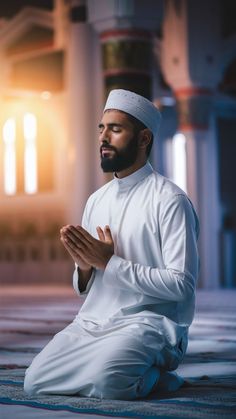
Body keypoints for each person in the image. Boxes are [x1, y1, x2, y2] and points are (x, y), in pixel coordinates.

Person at [24, 89, 199, 400]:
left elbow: (181, 285)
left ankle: (161, 376)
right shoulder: (97, 200)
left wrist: (109, 262)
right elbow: (87, 289)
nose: (104, 138)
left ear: (143, 139)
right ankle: (117, 368)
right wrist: (84, 266)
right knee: (35, 382)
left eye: (116, 129)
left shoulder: (170, 200)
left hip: (150, 323)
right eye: (101, 129)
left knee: (110, 382)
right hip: (93, 321)